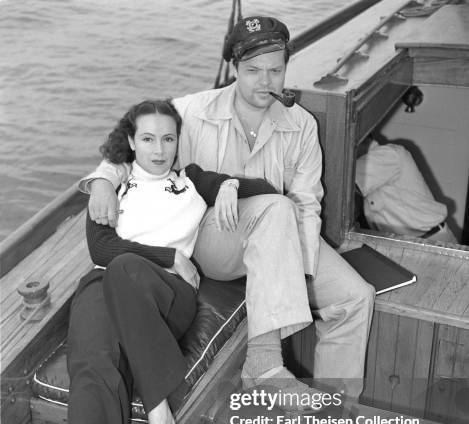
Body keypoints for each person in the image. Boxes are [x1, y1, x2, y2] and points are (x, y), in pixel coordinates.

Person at [83, 15, 375, 404]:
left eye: (276, 70)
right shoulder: (191, 110)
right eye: (253, 70)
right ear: (234, 69)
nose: (265, 81)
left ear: (287, 67)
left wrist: (297, 267)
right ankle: (265, 363)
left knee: (356, 296)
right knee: (276, 206)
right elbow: (133, 136)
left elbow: (307, 202)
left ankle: (330, 419)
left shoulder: (301, 125)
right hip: (210, 238)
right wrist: (103, 180)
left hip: (280, 233)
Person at [50, 99, 279, 424]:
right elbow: (101, 251)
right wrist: (169, 254)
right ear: (131, 141)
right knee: (92, 355)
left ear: (178, 141)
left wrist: (229, 186)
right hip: (106, 285)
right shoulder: (109, 188)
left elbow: (269, 190)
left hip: (167, 296)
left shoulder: (190, 179)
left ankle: (161, 417)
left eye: (168, 138)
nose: (159, 150)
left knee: (124, 268)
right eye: (149, 138)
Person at [355, 137, 457, 242]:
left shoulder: (388, 155)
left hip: (430, 242)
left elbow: (345, 182)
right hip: (413, 242)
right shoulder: (373, 159)